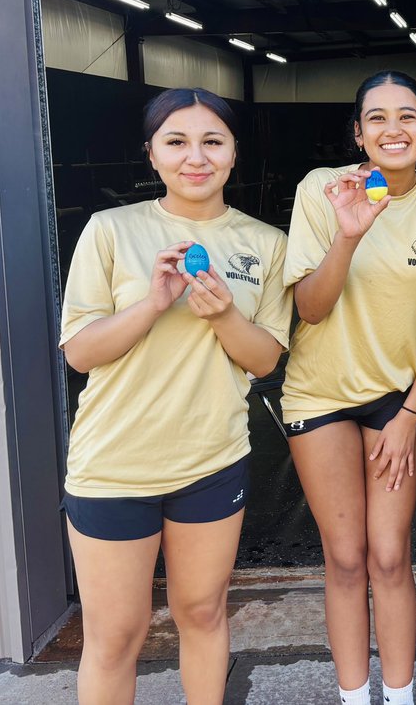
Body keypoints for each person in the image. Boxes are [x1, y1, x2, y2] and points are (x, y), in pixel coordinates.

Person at [59, 88, 291, 705]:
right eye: (177, 142)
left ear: (234, 153)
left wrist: (222, 317)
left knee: (203, 612)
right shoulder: (111, 229)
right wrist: (154, 304)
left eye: (213, 141)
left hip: (211, 460)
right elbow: (79, 352)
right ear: (152, 155)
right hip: (113, 465)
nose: (197, 157)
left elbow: (266, 358)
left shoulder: (265, 242)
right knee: (115, 635)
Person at [281, 71, 416, 705]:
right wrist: (348, 233)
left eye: (408, 116)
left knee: (389, 554)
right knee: (346, 556)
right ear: (357, 132)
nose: (394, 129)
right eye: (378, 118)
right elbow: (309, 307)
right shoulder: (323, 191)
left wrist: (411, 414)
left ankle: (401, 693)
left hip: (396, 399)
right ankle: (354, 696)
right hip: (319, 394)